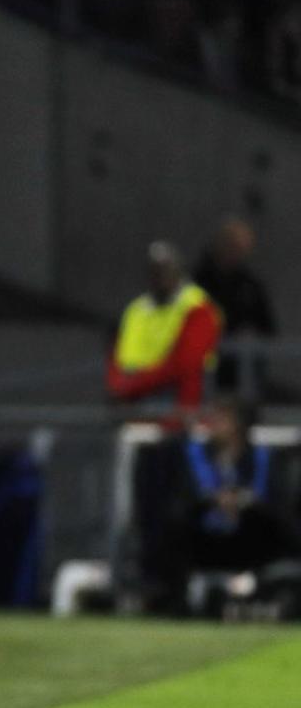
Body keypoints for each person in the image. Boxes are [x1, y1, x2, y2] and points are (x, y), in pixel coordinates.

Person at [143, 396, 301, 614]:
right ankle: (173, 599)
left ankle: (270, 596)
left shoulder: (263, 459)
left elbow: (277, 503)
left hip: (249, 537)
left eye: (221, 419)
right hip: (205, 536)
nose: (213, 425)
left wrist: (243, 502)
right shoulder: (195, 455)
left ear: (239, 425)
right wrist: (212, 500)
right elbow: (183, 499)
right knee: (172, 527)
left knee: (273, 525)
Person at [107, 239, 223, 412]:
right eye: (155, 270)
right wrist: (117, 387)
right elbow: (117, 358)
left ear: (178, 270)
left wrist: (131, 387)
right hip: (133, 400)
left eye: (165, 268)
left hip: (177, 397)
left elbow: (184, 364)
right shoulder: (136, 310)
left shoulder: (198, 307)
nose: (160, 275)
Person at [192, 216, 277, 394]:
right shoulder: (198, 283)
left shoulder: (250, 286)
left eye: (241, 249)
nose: (235, 253)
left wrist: (252, 335)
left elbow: (268, 327)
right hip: (204, 372)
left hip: (241, 375)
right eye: (231, 246)